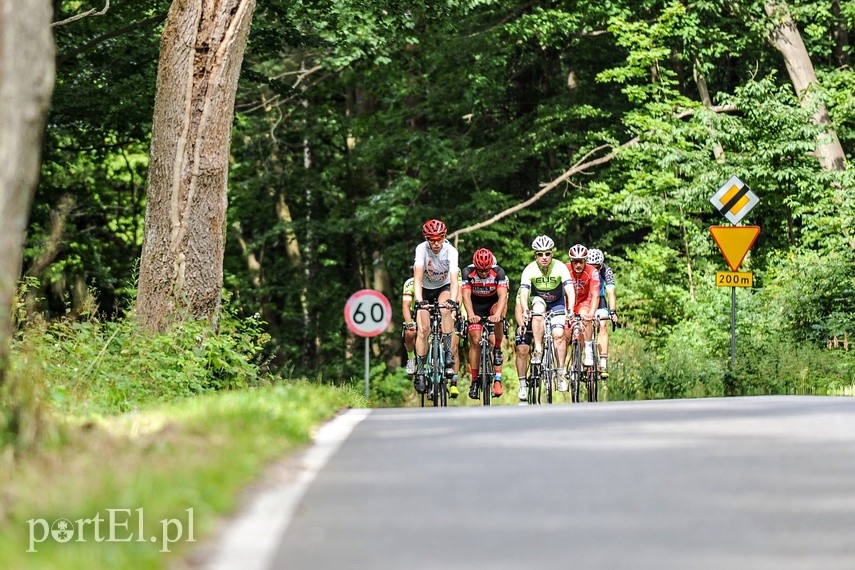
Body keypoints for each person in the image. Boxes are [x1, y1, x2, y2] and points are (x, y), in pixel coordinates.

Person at [518, 235, 575, 391]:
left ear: (552, 254)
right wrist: (524, 310)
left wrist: (570, 308)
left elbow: (570, 290)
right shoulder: (529, 269)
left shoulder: (560, 267)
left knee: (558, 334)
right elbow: (524, 293)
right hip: (539, 299)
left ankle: (561, 373)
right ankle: (537, 348)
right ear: (535, 255)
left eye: (547, 253)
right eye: (540, 254)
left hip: (557, 302)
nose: (544, 257)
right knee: (537, 310)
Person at [413, 219, 460, 397]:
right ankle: (421, 371)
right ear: (426, 239)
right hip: (425, 289)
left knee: (445, 309)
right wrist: (419, 300)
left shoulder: (451, 251)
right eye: (431, 239)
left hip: (443, 287)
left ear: (444, 237)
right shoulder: (421, 249)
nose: (436, 243)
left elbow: (455, 280)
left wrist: (453, 301)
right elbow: (417, 278)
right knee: (423, 330)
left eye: (439, 239)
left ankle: (448, 352)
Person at [461, 247, 509, 399]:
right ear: (475, 267)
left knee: (499, 316)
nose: (483, 273)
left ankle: (497, 351)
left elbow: (502, 297)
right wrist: (470, 315)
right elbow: (466, 296)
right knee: (475, 340)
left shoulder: (498, 272)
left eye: (486, 270)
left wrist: (497, 315)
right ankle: (474, 381)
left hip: (493, 305)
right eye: (480, 271)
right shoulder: (467, 272)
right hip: (475, 307)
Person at [564, 243, 600, 391]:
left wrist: (592, 312)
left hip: (584, 303)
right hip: (568, 304)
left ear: (586, 261)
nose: (578, 264)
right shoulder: (565, 269)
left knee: (586, 316)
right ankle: (566, 365)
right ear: (571, 261)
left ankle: (589, 351)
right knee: (564, 335)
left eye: (581, 261)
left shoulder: (592, 271)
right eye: (575, 261)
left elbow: (595, 294)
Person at [586, 248, 618, 378]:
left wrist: (612, 311)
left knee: (603, 324)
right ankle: (579, 357)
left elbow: (610, 292)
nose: (594, 270)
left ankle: (603, 362)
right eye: (591, 267)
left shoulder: (606, 270)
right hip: (586, 301)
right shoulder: (582, 269)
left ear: (601, 265)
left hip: (600, 301)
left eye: (597, 267)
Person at [512, 287, 533, 401]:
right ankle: (523, 385)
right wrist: (521, 325)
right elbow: (518, 309)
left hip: (543, 320)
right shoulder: (524, 288)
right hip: (526, 321)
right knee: (522, 349)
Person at [401, 275, 417, 375]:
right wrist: (409, 322)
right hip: (416, 313)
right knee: (409, 332)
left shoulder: (439, 280)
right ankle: (411, 357)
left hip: (433, 312)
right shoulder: (410, 283)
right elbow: (405, 306)